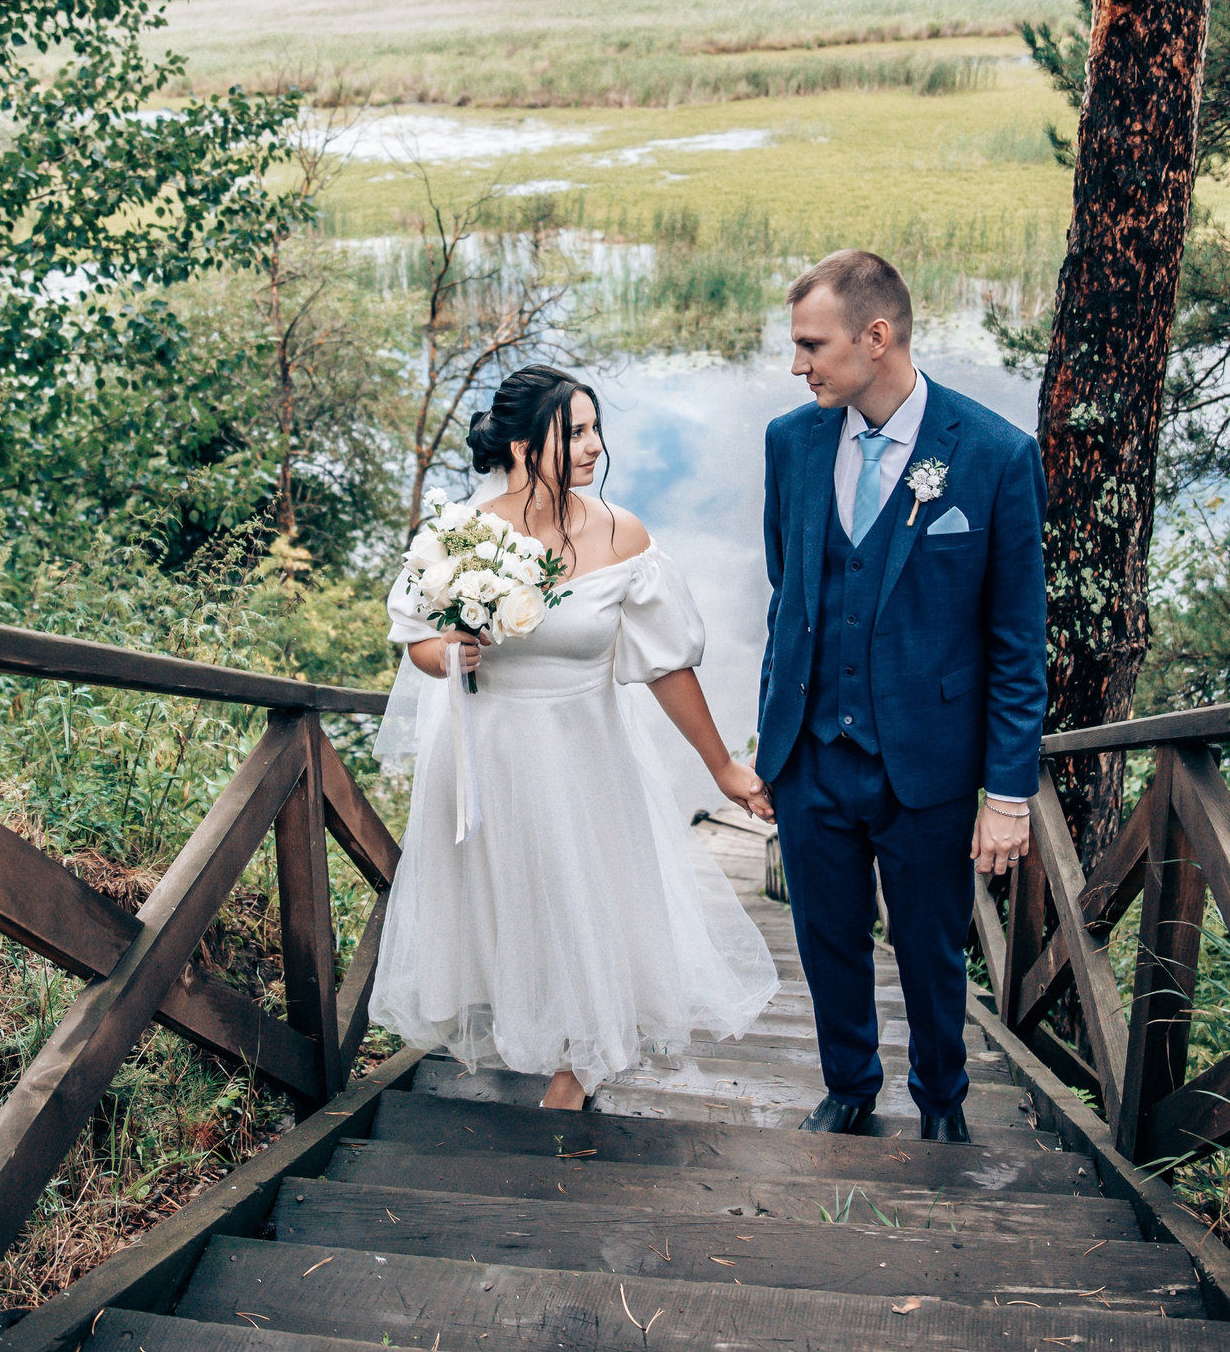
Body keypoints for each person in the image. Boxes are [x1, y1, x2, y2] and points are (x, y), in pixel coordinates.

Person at [371, 366, 779, 1112]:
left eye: (595, 430)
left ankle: (576, 1062)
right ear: (524, 446)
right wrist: (451, 651)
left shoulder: (624, 536)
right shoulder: (460, 536)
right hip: (487, 756)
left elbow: (666, 665)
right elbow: (419, 646)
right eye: (576, 432)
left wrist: (720, 764)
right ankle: (528, 1026)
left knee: (583, 899)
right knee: (515, 903)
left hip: (584, 754)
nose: (594, 447)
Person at [753, 250, 1047, 1143]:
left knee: (930, 951)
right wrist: (773, 744)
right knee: (826, 939)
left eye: (812, 344)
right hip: (812, 756)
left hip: (930, 764)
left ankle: (941, 1102)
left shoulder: (995, 456)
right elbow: (789, 591)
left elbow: (1017, 645)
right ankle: (848, 1085)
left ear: (875, 338)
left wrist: (1007, 795)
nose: (797, 365)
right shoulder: (790, 442)